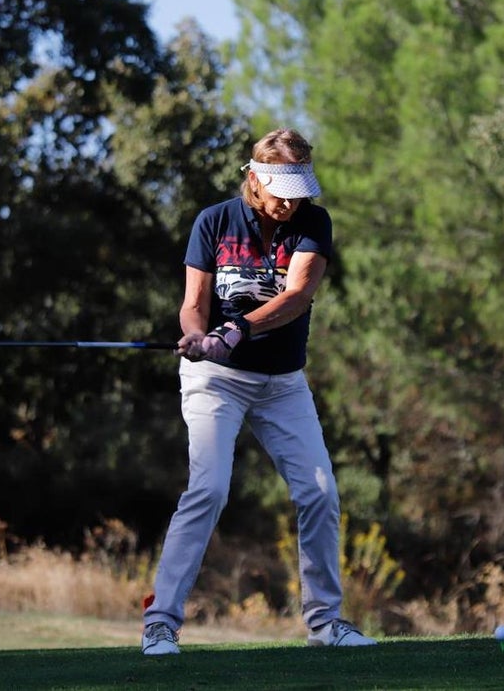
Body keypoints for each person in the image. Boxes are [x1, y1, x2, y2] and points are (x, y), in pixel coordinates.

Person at [140, 128, 377, 655]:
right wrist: (200, 335)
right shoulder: (215, 221)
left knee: (319, 491)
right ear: (255, 178)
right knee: (210, 489)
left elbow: (296, 296)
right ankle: (160, 622)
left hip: (282, 383)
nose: (292, 201)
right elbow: (193, 303)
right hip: (216, 379)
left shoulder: (313, 222)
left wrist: (239, 329)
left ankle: (325, 623)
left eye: (300, 190)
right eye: (282, 190)